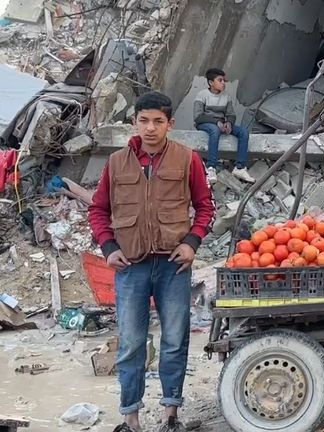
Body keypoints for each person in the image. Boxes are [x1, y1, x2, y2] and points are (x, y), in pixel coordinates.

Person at [88, 91, 215, 432]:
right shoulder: (116, 163)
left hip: (174, 265)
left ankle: (170, 415)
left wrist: (192, 242)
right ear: (134, 123)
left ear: (170, 124)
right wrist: (108, 246)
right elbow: (98, 210)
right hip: (130, 266)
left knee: (175, 339)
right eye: (143, 120)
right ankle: (130, 418)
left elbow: (205, 207)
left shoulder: (187, 159)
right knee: (131, 342)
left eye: (158, 121)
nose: (150, 128)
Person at [194, 68, 254, 184]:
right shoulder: (202, 95)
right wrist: (216, 122)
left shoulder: (226, 96)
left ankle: (240, 167)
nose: (223, 83)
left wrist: (229, 123)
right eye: (220, 80)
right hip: (205, 124)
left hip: (222, 124)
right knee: (214, 130)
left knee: (243, 132)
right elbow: (198, 116)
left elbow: (231, 114)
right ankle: (211, 167)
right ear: (211, 83)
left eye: (224, 80)